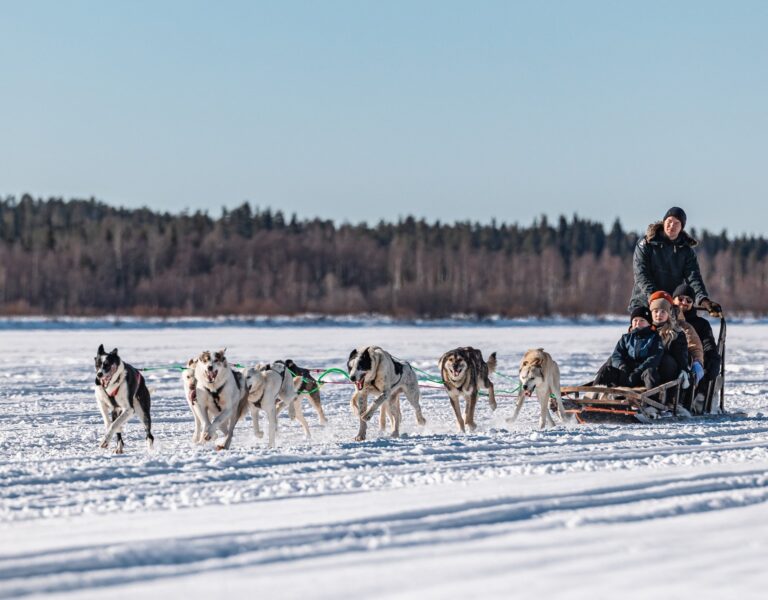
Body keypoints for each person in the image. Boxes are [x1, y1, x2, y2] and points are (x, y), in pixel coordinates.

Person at [629, 207, 722, 315]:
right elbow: (641, 274)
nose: (672, 225)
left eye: (676, 223)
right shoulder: (646, 243)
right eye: (669, 221)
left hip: (670, 307)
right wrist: (657, 297)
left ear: (681, 227)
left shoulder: (686, 252)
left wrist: (704, 301)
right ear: (664, 222)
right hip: (644, 304)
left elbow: (693, 279)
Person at [673, 283, 722, 411]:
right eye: (680, 299)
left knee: (708, 364)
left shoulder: (701, 324)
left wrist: (712, 360)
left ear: (692, 303)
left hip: (693, 359)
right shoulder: (666, 317)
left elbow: (708, 344)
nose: (684, 302)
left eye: (688, 300)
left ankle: (700, 398)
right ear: (673, 299)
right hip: (672, 357)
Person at [592, 306, 664, 389]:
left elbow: (654, 358)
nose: (638, 323)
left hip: (642, 374)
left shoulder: (655, 338)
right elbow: (616, 355)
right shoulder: (626, 338)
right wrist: (622, 366)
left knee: (650, 372)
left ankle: (651, 399)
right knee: (607, 369)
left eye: (642, 320)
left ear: (649, 323)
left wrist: (638, 371)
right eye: (635, 320)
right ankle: (593, 393)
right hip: (625, 373)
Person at [648, 291, 690, 385]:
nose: (659, 315)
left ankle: (664, 396)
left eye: (663, 311)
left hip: (667, 372)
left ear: (668, 314)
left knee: (665, 359)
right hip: (647, 370)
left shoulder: (676, 333)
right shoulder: (646, 330)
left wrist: (684, 370)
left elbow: (681, 356)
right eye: (656, 311)